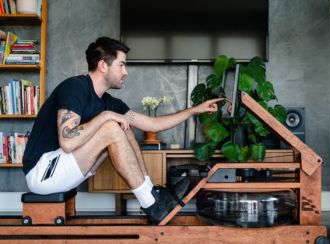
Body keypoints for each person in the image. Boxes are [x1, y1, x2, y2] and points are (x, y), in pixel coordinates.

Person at [22, 36, 223, 224]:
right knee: (111, 125)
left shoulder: (109, 102)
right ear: (103, 65)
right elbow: (67, 143)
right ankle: (152, 205)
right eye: (121, 64)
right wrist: (106, 116)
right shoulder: (75, 87)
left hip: (65, 167)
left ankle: (151, 194)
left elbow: (153, 124)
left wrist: (194, 110)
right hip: (42, 172)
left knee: (121, 124)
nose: (125, 71)